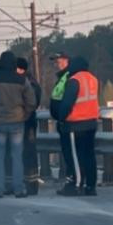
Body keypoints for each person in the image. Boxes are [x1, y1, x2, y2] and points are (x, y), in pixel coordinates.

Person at [0, 51, 37, 199]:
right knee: (17, 156)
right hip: (17, 122)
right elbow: (31, 101)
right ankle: (18, 189)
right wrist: (25, 114)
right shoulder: (21, 80)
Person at [56, 56, 99, 196]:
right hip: (91, 123)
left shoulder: (74, 80)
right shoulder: (93, 79)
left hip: (75, 124)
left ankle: (76, 185)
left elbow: (67, 103)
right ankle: (91, 186)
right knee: (89, 156)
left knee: (75, 157)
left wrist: (61, 119)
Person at [48, 52, 76, 195]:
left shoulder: (69, 77)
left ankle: (73, 182)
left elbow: (67, 100)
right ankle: (71, 181)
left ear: (66, 61)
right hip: (63, 121)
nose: (55, 65)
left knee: (71, 155)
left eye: (58, 61)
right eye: (54, 62)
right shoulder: (61, 77)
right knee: (67, 154)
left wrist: (63, 116)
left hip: (68, 121)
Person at [16, 57, 42, 196]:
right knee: (28, 152)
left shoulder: (27, 83)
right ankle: (30, 184)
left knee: (28, 153)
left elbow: (31, 103)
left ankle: (31, 184)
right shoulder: (32, 82)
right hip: (29, 121)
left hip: (26, 122)